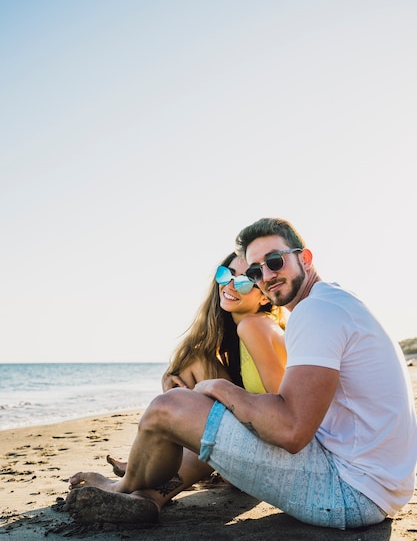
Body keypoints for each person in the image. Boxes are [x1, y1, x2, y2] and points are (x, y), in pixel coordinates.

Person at [65, 217, 417, 530]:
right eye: (254, 270)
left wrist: (218, 388)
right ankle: (147, 494)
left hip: (350, 491)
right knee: (187, 408)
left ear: (305, 259)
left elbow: (292, 431)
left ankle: (120, 489)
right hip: (372, 484)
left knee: (166, 408)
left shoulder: (316, 312)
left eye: (275, 261)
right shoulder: (331, 303)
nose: (265, 275)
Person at [106, 251, 287, 478]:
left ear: (264, 297)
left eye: (243, 282)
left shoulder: (254, 326)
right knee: (194, 360)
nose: (230, 286)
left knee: (196, 372)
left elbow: (282, 406)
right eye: (226, 275)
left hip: (272, 450)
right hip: (256, 430)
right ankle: (147, 466)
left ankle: (146, 476)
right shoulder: (242, 328)